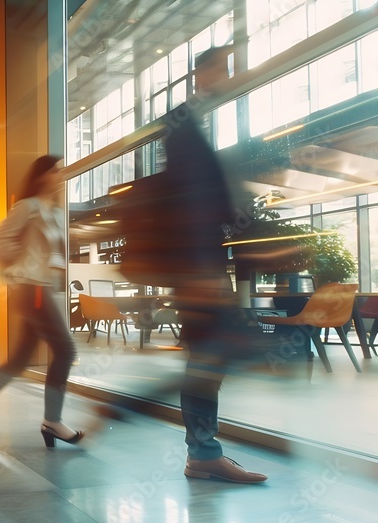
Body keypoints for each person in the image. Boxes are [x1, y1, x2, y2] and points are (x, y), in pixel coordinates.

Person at [123, 46, 266, 483]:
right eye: (222, 67)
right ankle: (195, 446)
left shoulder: (194, 125)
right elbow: (187, 201)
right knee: (213, 355)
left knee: (211, 356)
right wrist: (199, 271)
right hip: (197, 265)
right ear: (200, 73)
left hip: (201, 264)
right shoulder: (184, 126)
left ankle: (201, 449)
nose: (228, 75)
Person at [0, 156, 82, 447]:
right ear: (41, 177)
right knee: (66, 349)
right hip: (32, 288)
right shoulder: (28, 207)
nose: (61, 176)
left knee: (19, 360)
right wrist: (21, 263)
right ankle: (52, 421)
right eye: (56, 171)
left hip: (40, 288)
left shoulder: (54, 211)